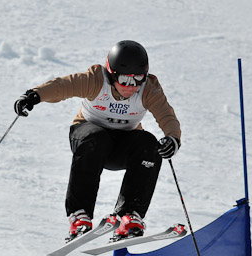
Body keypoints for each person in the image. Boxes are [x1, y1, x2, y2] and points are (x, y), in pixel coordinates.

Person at [14, 40, 181, 241]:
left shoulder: (148, 89)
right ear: (111, 75)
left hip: (121, 147)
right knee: (97, 138)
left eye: (137, 79)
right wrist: (35, 95)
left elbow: (167, 116)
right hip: (88, 139)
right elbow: (63, 86)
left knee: (149, 143)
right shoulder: (96, 80)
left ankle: (129, 215)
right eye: (125, 80)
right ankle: (79, 215)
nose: (131, 87)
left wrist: (172, 138)